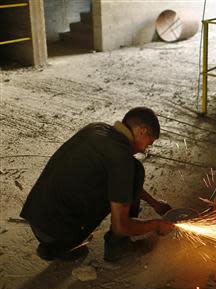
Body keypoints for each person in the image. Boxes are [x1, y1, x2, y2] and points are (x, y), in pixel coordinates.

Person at [20, 107, 174, 262]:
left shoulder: (97, 128)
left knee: (129, 172)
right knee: (136, 170)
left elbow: (123, 182)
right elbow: (121, 226)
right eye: (149, 144)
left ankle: (54, 246)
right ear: (142, 130)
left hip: (38, 219)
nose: (144, 149)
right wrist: (156, 225)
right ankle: (117, 248)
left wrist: (154, 203)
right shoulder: (122, 160)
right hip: (58, 233)